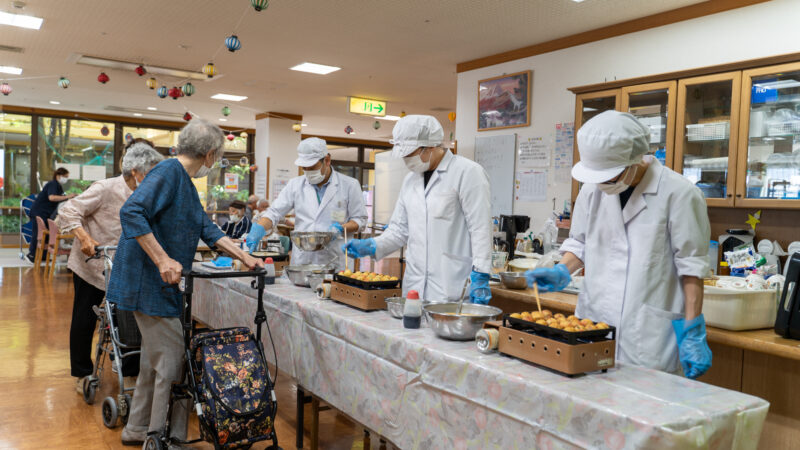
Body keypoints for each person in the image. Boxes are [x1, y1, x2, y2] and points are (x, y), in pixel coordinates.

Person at [106, 119, 264, 446]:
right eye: (217, 157)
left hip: (155, 286)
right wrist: (163, 259)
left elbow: (207, 229)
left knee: (155, 360)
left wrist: (245, 256)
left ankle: (137, 429)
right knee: (174, 360)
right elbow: (131, 212)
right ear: (209, 154)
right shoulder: (167, 173)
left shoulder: (185, 183)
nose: (215, 163)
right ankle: (164, 436)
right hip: (145, 282)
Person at [525, 110, 712, 379]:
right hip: (594, 322)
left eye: (609, 175)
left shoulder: (679, 194)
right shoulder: (592, 190)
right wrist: (562, 270)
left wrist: (692, 328)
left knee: (644, 408)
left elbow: (691, 267)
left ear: (635, 160)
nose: (602, 183)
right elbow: (579, 244)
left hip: (648, 333)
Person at [342, 115, 493, 304]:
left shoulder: (468, 172)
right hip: (414, 286)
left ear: (430, 146)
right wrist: (373, 245)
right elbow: (399, 230)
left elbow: (480, 228)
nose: (406, 160)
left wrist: (481, 273)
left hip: (452, 283)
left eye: (410, 154)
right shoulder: (411, 180)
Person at [56, 142, 164, 394]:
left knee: (128, 320)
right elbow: (68, 210)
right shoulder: (106, 188)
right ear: (136, 170)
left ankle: (128, 370)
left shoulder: (148, 194)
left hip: (125, 266)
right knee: (85, 318)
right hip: (92, 264)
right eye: (152, 171)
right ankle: (82, 373)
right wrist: (84, 237)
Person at [245, 137, 367, 268]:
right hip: (303, 259)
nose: (308, 172)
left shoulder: (349, 185)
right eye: (304, 168)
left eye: (312, 167)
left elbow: (360, 220)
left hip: (334, 258)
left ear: (327, 160)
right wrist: (259, 228)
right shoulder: (295, 185)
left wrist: (340, 229)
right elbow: (274, 212)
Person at [25, 167, 76, 263]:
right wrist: (68, 196)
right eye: (65, 176)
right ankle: (32, 255)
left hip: (45, 213)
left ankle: (43, 256)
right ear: (58, 175)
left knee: (46, 234)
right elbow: (51, 197)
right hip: (39, 212)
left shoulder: (58, 186)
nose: (66, 179)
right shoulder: (53, 184)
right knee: (38, 234)